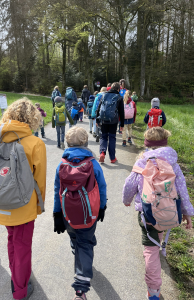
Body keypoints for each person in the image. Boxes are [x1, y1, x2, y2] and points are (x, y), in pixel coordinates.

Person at [0, 98, 47, 300]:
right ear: (32, 118)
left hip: (1, 204)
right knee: (22, 248)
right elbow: (40, 181)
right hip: (23, 206)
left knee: (12, 240)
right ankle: (20, 290)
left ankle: (17, 275)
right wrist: (38, 207)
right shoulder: (35, 143)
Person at [122, 127, 194, 300]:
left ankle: (153, 291)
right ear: (165, 143)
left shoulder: (141, 163)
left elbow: (129, 186)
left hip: (147, 214)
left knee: (150, 249)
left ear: (147, 144)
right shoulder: (173, 164)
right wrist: (187, 213)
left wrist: (127, 200)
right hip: (168, 212)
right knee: (158, 234)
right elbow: (182, 189)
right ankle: (159, 244)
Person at [53, 126, 107, 300]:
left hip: (67, 214)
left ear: (68, 143)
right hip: (89, 213)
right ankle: (80, 290)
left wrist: (57, 214)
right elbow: (102, 187)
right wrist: (102, 207)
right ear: (85, 142)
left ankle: (79, 250)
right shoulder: (92, 163)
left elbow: (57, 190)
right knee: (85, 243)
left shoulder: (62, 165)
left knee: (76, 239)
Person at [96, 82, 124, 163]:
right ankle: (112, 158)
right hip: (113, 121)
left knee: (103, 137)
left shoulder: (104, 95)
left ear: (111, 88)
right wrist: (122, 124)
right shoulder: (119, 97)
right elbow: (122, 112)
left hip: (104, 120)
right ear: (118, 89)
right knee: (112, 138)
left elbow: (99, 108)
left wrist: (97, 120)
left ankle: (102, 152)